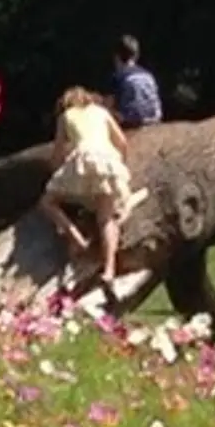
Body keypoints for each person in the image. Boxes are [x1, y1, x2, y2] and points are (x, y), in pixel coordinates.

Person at [40, 86, 134, 288]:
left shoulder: (66, 116)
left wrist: (55, 172)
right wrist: (121, 166)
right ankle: (109, 269)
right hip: (107, 160)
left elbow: (58, 151)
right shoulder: (101, 112)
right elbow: (123, 142)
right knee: (107, 219)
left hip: (83, 158)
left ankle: (76, 237)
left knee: (48, 202)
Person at [110, 36, 163, 130]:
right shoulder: (148, 75)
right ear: (136, 55)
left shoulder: (119, 76)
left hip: (131, 121)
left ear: (116, 57)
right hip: (154, 118)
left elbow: (112, 103)